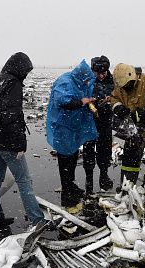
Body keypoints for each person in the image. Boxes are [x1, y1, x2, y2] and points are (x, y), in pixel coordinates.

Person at [0, 52, 45, 229]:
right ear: (19, 68)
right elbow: (13, 116)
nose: (26, 74)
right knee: (24, 180)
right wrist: (20, 144)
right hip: (7, 141)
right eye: (25, 70)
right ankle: (37, 220)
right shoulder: (14, 83)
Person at [46, 60, 98, 207]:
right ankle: (66, 191)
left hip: (73, 125)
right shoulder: (65, 81)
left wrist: (88, 101)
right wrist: (81, 102)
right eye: (86, 79)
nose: (87, 82)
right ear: (81, 75)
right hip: (63, 126)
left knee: (73, 155)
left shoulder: (79, 82)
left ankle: (71, 185)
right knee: (65, 159)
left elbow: (83, 95)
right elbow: (62, 101)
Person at [110, 63, 145, 191]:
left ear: (133, 77)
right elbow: (114, 98)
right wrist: (118, 107)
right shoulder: (121, 85)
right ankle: (127, 190)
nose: (125, 88)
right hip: (134, 133)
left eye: (127, 86)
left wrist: (139, 115)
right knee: (129, 164)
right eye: (122, 87)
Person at [82, 55, 115, 194]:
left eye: (104, 73)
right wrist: (90, 102)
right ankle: (89, 179)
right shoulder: (86, 81)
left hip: (106, 121)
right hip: (89, 121)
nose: (101, 76)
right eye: (98, 73)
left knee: (105, 149)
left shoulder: (113, 81)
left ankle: (104, 174)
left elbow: (119, 97)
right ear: (92, 70)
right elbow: (80, 98)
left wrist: (110, 100)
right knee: (88, 149)